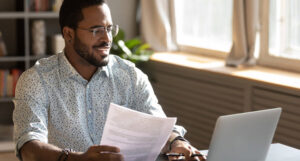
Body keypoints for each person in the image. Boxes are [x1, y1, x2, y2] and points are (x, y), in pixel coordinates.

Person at [13, 0, 206, 161]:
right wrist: (78, 159)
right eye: (96, 30)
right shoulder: (36, 80)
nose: (107, 38)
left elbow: (159, 127)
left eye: (109, 28)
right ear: (68, 34)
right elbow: (28, 146)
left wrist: (176, 142)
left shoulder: (129, 75)